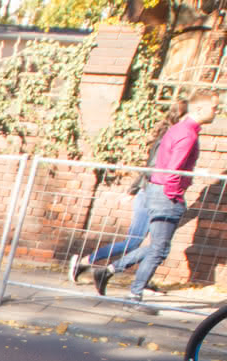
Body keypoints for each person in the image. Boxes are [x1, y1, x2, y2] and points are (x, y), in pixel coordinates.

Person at [91, 89, 218, 309]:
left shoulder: (179, 129)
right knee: (159, 249)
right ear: (199, 108)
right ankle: (134, 296)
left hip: (157, 192)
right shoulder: (187, 134)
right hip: (166, 195)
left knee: (159, 247)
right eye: (214, 107)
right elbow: (172, 169)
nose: (217, 111)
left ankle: (109, 271)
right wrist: (174, 195)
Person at [67, 100, 183, 286]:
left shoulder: (171, 137)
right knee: (134, 244)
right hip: (149, 194)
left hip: (149, 193)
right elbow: (152, 168)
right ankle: (84, 262)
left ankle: (143, 282)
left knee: (156, 246)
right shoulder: (169, 138)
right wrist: (137, 189)